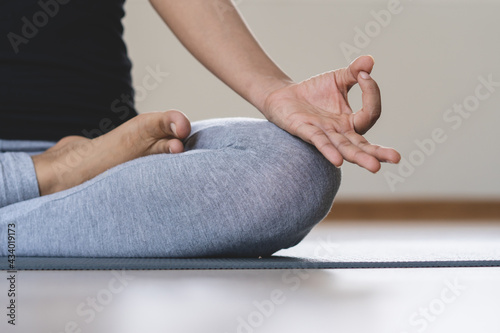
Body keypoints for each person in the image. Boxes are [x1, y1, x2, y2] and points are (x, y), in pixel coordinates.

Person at [0, 0, 400, 258]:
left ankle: (44, 180)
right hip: (79, 161)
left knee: (293, 168)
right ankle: (46, 175)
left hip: (111, 163)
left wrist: (274, 91)